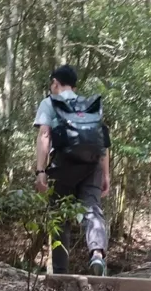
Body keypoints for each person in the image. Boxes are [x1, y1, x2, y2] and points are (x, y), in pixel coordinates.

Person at [33, 65, 110, 276]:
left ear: (55, 83)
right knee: (92, 210)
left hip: (63, 166)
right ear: (74, 86)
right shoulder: (90, 105)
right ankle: (96, 254)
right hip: (92, 166)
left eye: (52, 83)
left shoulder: (49, 102)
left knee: (60, 217)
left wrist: (40, 170)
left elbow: (44, 136)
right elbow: (102, 141)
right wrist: (106, 174)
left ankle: (60, 273)